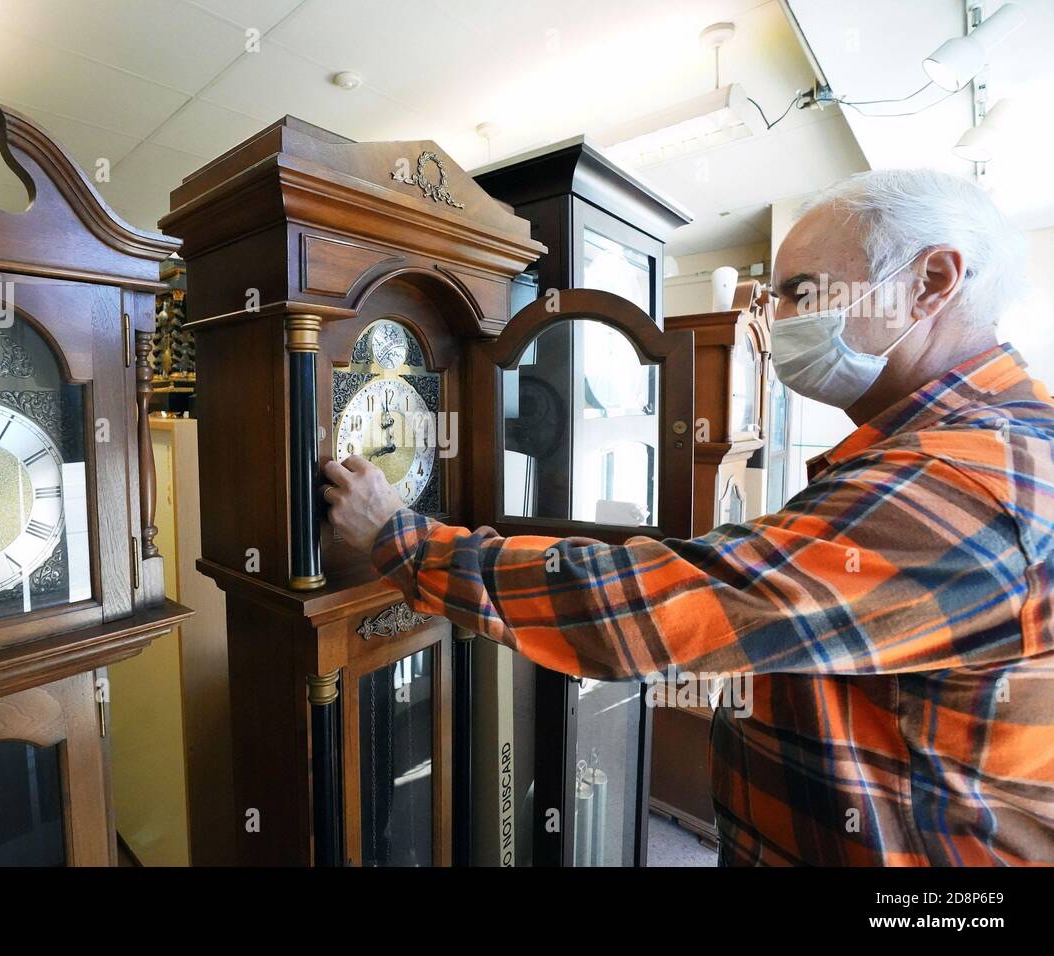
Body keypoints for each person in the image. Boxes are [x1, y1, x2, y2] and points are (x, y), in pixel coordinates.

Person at [322, 168, 1054, 866]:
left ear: (931, 283)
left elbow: (662, 608)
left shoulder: (962, 481)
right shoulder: (978, 447)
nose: (777, 326)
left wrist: (401, 539)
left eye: (803, 292)